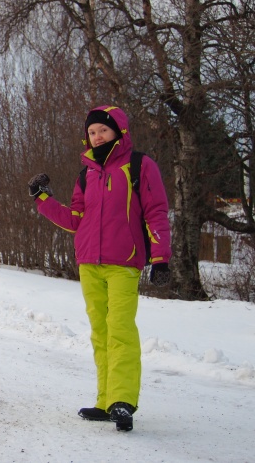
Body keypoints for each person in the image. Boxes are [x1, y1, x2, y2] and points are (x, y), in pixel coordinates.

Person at [28, 105, 171, 432]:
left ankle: (123, 401)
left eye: (102, 131)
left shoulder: (139, 165)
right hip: (90, 263)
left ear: (119, 132)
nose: (97, 136)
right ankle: (106, 401)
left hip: (124, 263)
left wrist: (161, 258)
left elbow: (156, 212)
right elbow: (76, 221)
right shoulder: (87, 174)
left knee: (120, 329)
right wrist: (43, 198)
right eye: (92, 132)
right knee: (101, 333)